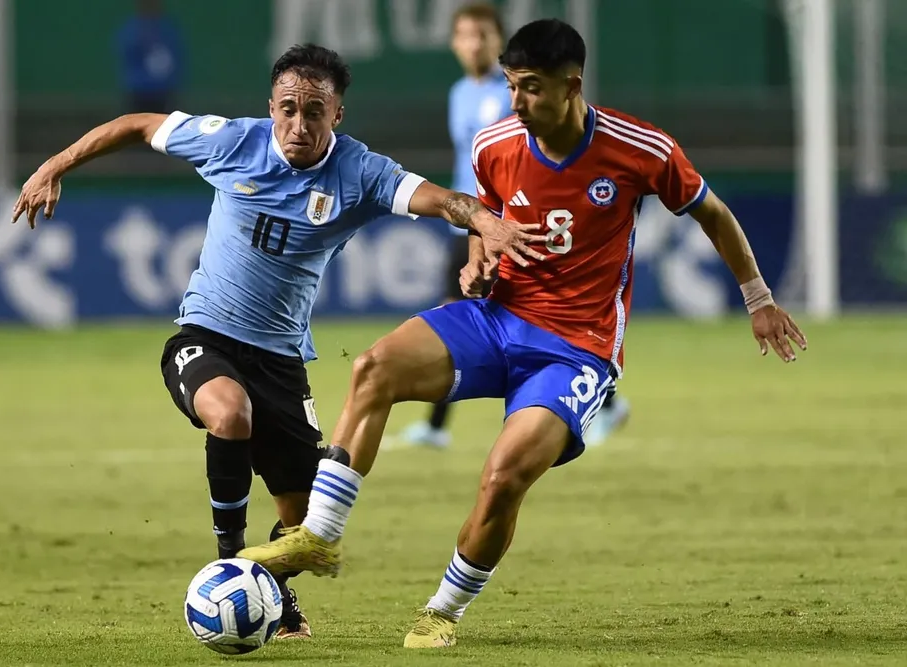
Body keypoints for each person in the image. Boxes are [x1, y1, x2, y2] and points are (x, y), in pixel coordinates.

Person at [237, 20, 808, 649]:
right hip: (495, 319)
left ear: (572, 85)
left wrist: (759, 299)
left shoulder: (640, 148)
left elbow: (714, 213)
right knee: (373, 367)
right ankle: (319, 535)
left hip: (576, 349)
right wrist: (478, 259)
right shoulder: (494, 145)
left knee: (503, 475)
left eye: (531, 89)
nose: (515, 102)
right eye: (511, 86)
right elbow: (487, 220)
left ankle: (443, 610)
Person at [10, 44, 542, 642]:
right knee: (229, 414)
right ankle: (230, 564)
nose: (299, 124)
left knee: (303, 524)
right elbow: (136, 124)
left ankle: (274, 594)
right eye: (287, 109)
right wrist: (53, 165)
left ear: (336, 115)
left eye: (314, 111)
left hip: (282, 361)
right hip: (204, 336)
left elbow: (441, 200)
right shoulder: (232, 141)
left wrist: (487, 222)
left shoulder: (360, 172)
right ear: (270, 108)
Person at [399, 2, 512, 450]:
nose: (475, 43)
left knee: (467, 316)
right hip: (466, 222)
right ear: (453, 43)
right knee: (456, 316)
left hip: (502, 224)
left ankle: (436, 426)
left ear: (499, 41)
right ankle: (436, 426)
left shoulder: (512, 92)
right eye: (466, 35)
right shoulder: (459, 92)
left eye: (483, 34)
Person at [115, 0, 183, 114]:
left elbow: (176, 59)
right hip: (139, 93)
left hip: (163, 93)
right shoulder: (133, 30)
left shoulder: (166, 29)